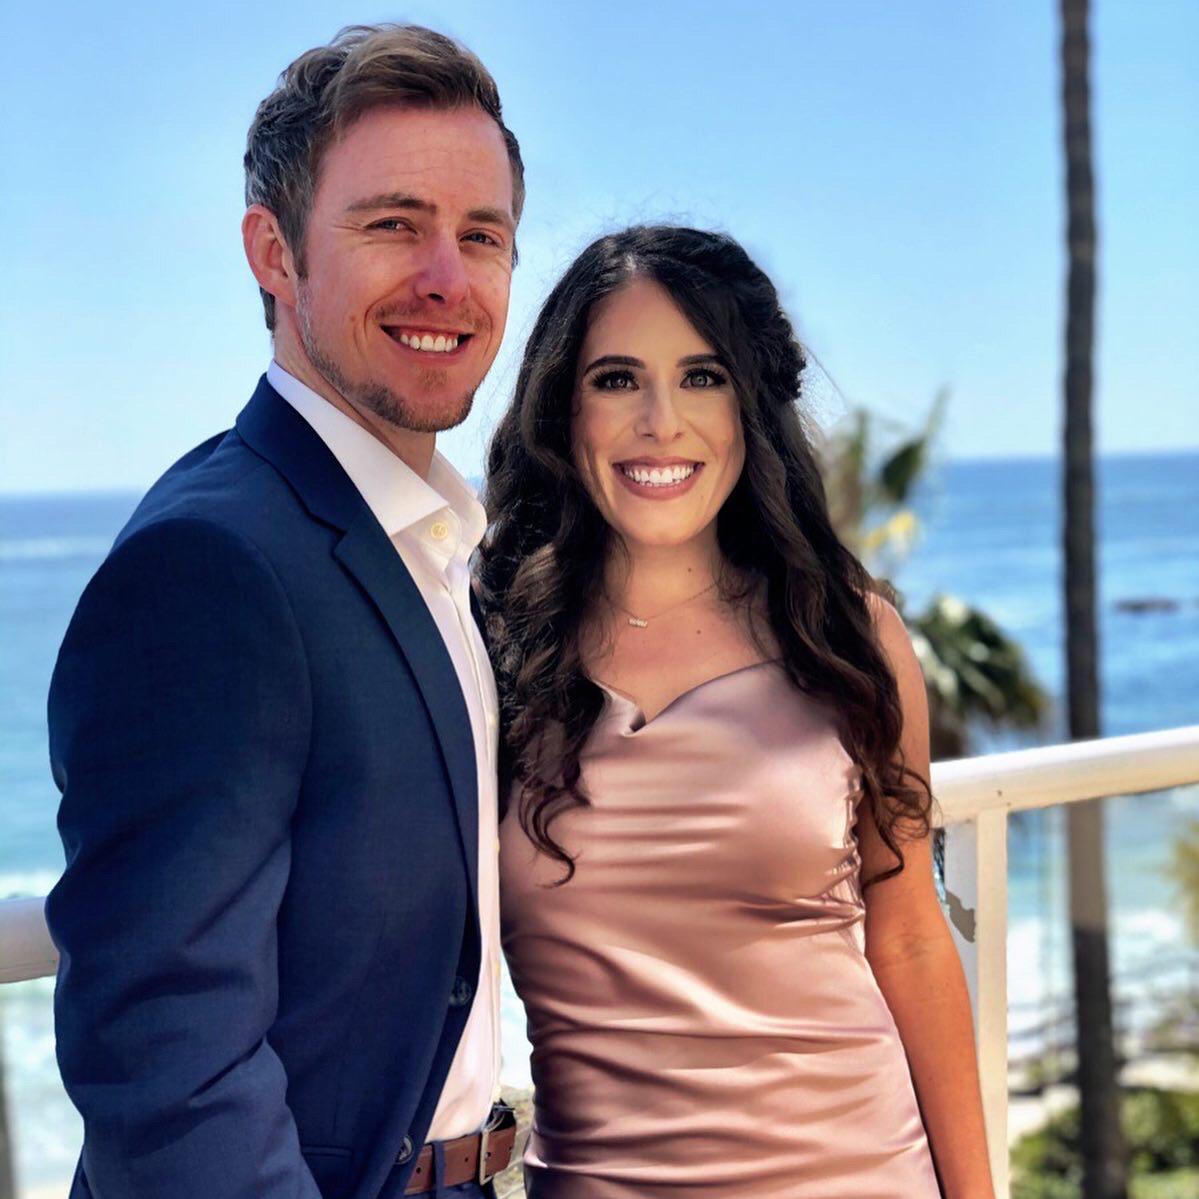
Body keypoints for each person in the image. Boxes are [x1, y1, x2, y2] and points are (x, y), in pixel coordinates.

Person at [45, 24, 521, 1199]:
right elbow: (166, 1058)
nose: (446, 278)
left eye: (481, 235)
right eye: (392, 224)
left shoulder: (436, 544)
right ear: (273, 252)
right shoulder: (211, 564)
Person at [480, 225, 996, 1198]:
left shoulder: (845, 637)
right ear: (563, 405)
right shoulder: (490, 649)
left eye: (702, 377)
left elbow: (908, 936)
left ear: (748, 402)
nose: (660, 421)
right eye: (617, 379)